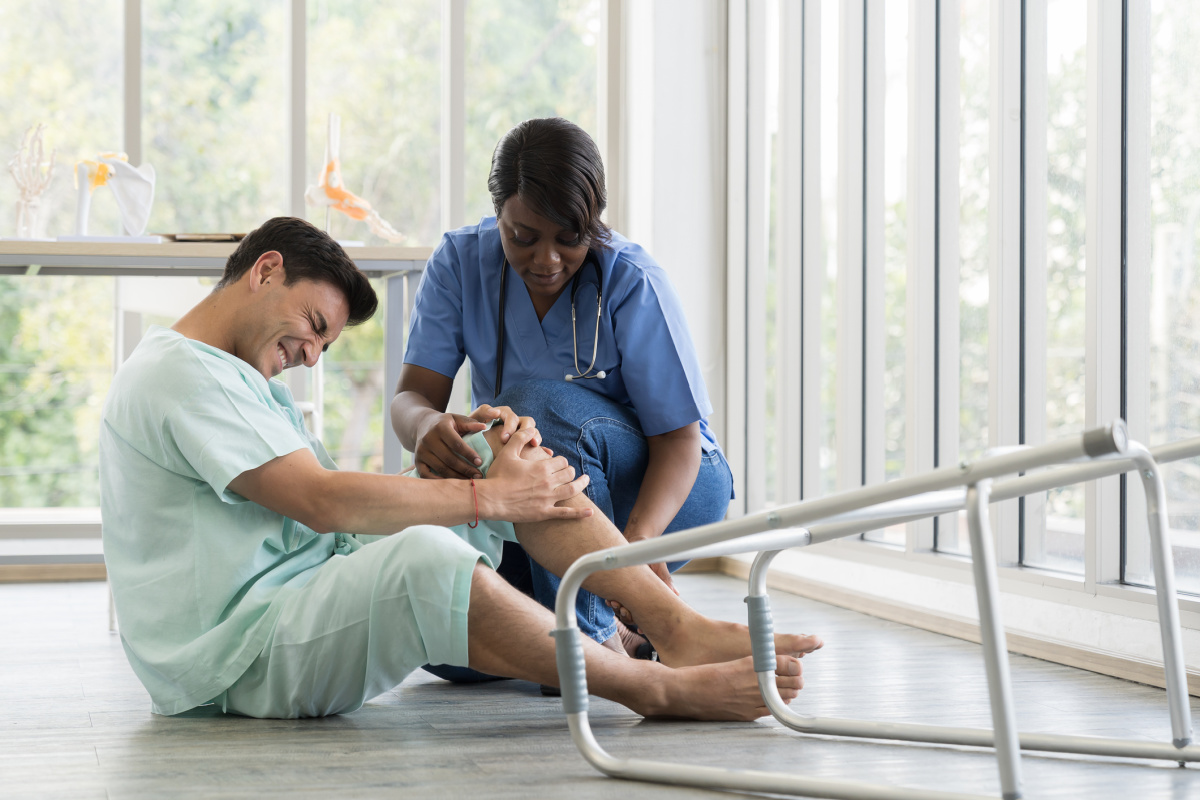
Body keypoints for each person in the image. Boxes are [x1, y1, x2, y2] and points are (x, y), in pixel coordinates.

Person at [99, 216, 820, 721]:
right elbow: (319, 502)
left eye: (324, 344)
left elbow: (325, 517)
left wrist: (487, 469)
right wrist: (482, 497)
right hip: (236, 652)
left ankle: (674, 627)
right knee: (427, 549)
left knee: (501, 447)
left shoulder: (235, 378)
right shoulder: (178, 373)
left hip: (303, 590)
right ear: (265, 271)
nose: (312, 357)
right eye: (315, 327)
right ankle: (649, 690)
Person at [392, 118, 733, 663]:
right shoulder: (459, 263)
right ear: (497, 212)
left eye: (569, 238)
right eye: (522, 237)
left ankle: (592, 646)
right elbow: (412, 397)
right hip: (537, 507)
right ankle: (611, 635)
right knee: (447, 642)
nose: (546, 260)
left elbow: (680, 442)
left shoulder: (631, 279)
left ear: (592, 222)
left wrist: (635, 549)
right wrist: (426, 426)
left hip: (662, 489)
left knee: (531, 413)